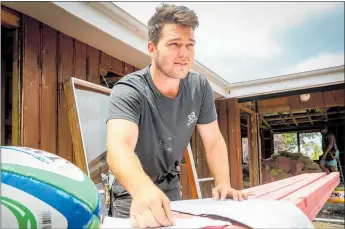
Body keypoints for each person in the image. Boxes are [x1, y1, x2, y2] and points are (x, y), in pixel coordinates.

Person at [106, 3, 248, 228]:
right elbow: (118, 147)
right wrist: (143, 190)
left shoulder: (199, 87)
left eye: (189, 45)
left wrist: (223, 183)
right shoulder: (130, 90)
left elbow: (213, 141)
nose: (184, 54)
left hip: (171, 185)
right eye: (174, 44)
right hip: (133, 191)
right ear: (152, 48)